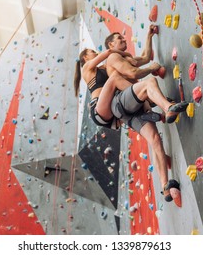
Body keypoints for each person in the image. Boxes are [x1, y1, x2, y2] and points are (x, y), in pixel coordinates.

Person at [104, 25, 188, 207]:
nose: (124, 40)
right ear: (111, 44)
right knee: (149, 82)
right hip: (121, 101)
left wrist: (149, 35)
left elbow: (145, 57)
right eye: (120, 38)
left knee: (155, 140)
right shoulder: (113, 56)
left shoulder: (125, 58)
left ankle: (165, 186)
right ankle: (167, 107)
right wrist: (151, 68)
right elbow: (133, 73)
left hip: (130, 110)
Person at [74, 48, 162, 129]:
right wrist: (126, 53)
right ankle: (149, 98)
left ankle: (147, 112)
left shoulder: (103, 68)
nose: (95, 52)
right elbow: (108, 52)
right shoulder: (86, 68)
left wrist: (127, 58)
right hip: (98, 108)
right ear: (85, 57)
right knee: (116, 78)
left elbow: (137, 60)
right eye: (92, 52)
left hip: (112, 112)